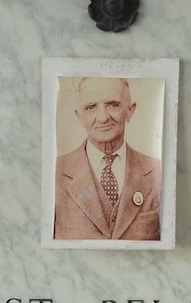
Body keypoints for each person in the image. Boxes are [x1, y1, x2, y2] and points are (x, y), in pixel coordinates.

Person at [54, 77, 162, 241]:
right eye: (91, 107)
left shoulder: (158, 172)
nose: (103, 118)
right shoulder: (55, 173)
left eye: (113, 104)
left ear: (130, 110)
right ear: (79, 116)